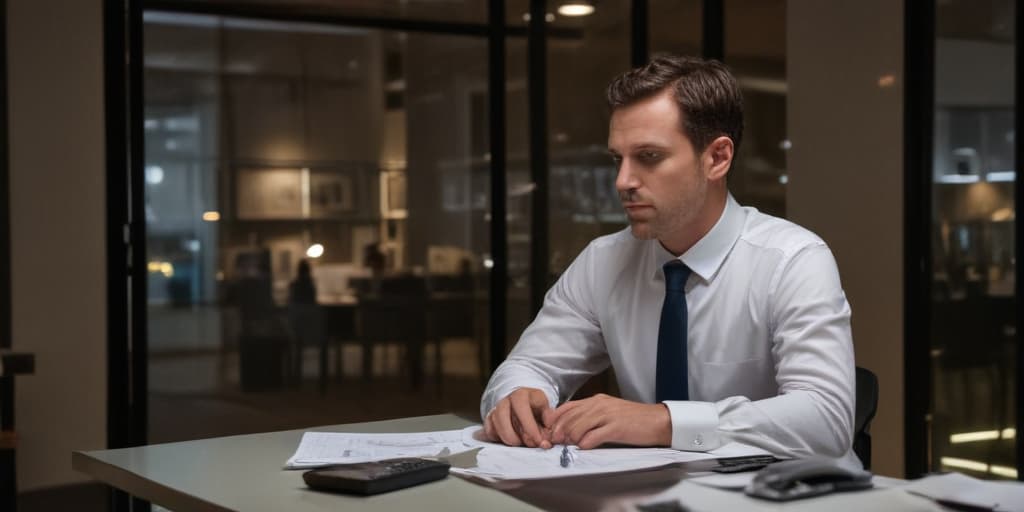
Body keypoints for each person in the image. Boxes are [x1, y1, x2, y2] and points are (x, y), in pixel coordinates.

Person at [480, 55, 856, 463]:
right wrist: (518, 396)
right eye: (616, 159)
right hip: (653, 495)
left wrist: (663, 422)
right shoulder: (603, 262)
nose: (622, 181)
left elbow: (826, 418)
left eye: (649, 157)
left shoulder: (792, 260)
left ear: (717, 158)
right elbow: (527, 366)